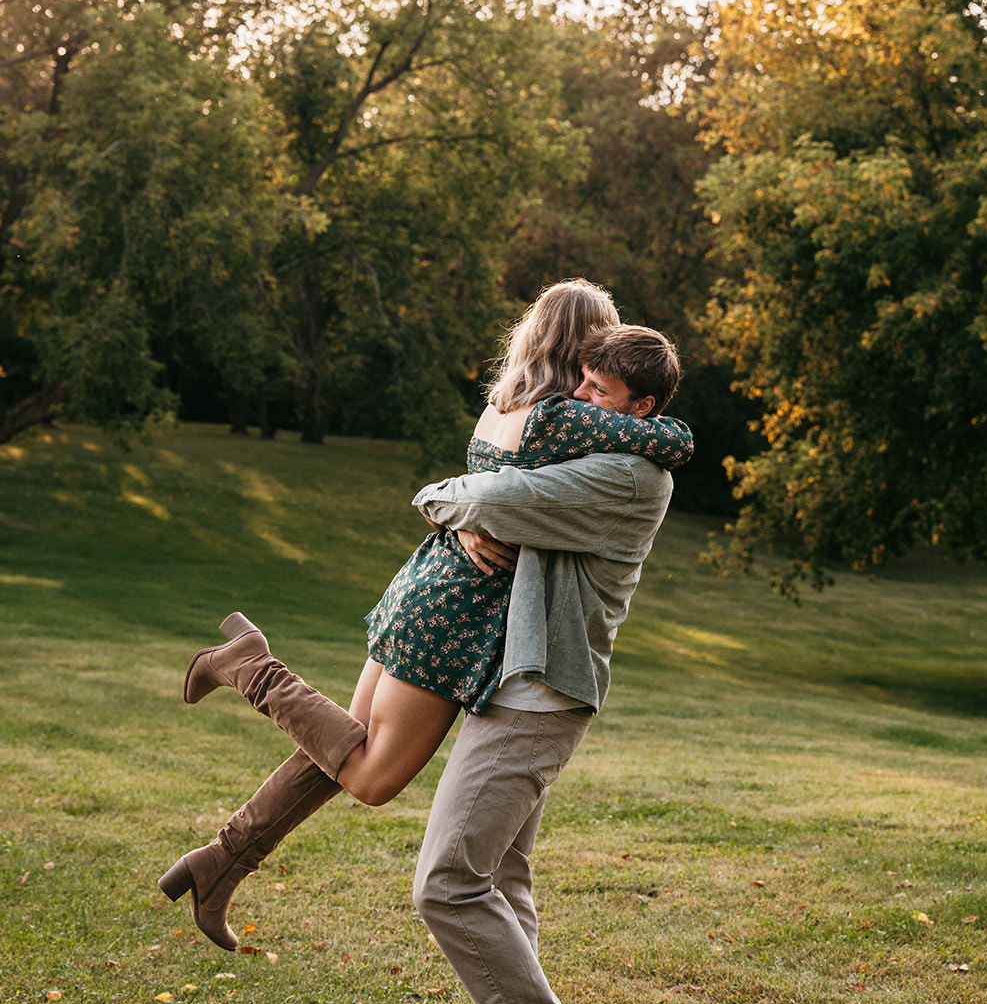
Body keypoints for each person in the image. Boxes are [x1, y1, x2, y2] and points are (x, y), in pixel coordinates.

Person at [158, 285, 692, 953]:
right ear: (581, 347)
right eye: (595, 352)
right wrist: (665, 425)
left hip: (425, 582)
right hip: (458, 612)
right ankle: (250, 668)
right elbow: (658, 442)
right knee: (373, 775)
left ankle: (221, 863)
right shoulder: (559, 423)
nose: (595, 375)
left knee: (338, 745)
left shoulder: (503, 405)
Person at [403, 323, 684, 1004]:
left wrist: (435, 501)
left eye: (598, 393)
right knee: (501, 880)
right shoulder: (588, 453)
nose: (580, 403)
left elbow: (486, 500)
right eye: (580, 384)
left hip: (540, 696)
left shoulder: (626, 475)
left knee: (446, 882)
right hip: (511, 683)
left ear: (645, 407)